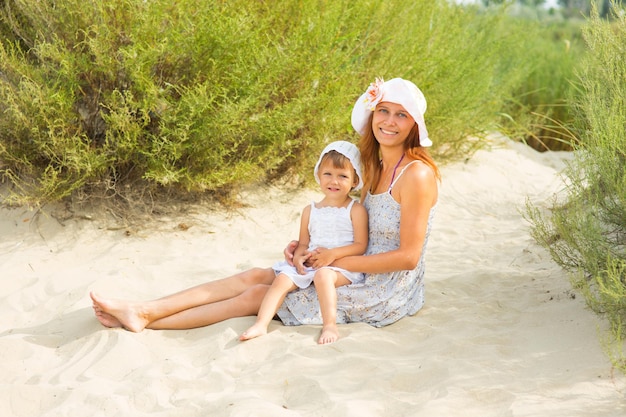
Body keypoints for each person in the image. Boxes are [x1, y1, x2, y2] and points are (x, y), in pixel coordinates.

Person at [90, 76, 440, 338]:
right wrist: (306, 248)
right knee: (258, 275)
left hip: (384, 286)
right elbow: (352, 223)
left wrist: (337, 259)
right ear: (372, 114)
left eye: (401, 116)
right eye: (383, 111)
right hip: (346, 265)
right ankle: (145, 310)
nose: (389, 122)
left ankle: (148, 321)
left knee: (259, 294)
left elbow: (408, 257)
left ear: (413, 126)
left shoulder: (417, 175)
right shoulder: (374, 165)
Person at [240, 141, 368, 344]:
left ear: (354, 181)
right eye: (328, 174)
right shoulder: (310, 210)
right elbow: (303, 243)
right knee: (282, 278)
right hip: (311, 264)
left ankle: (329, 326)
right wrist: (299, 257)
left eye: (342, 176)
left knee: (324, 275)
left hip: (340, 267)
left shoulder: (355, 209)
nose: (334, 181)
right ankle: (261, 324)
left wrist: (333, 254)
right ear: (318, 175)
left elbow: (360, 245)